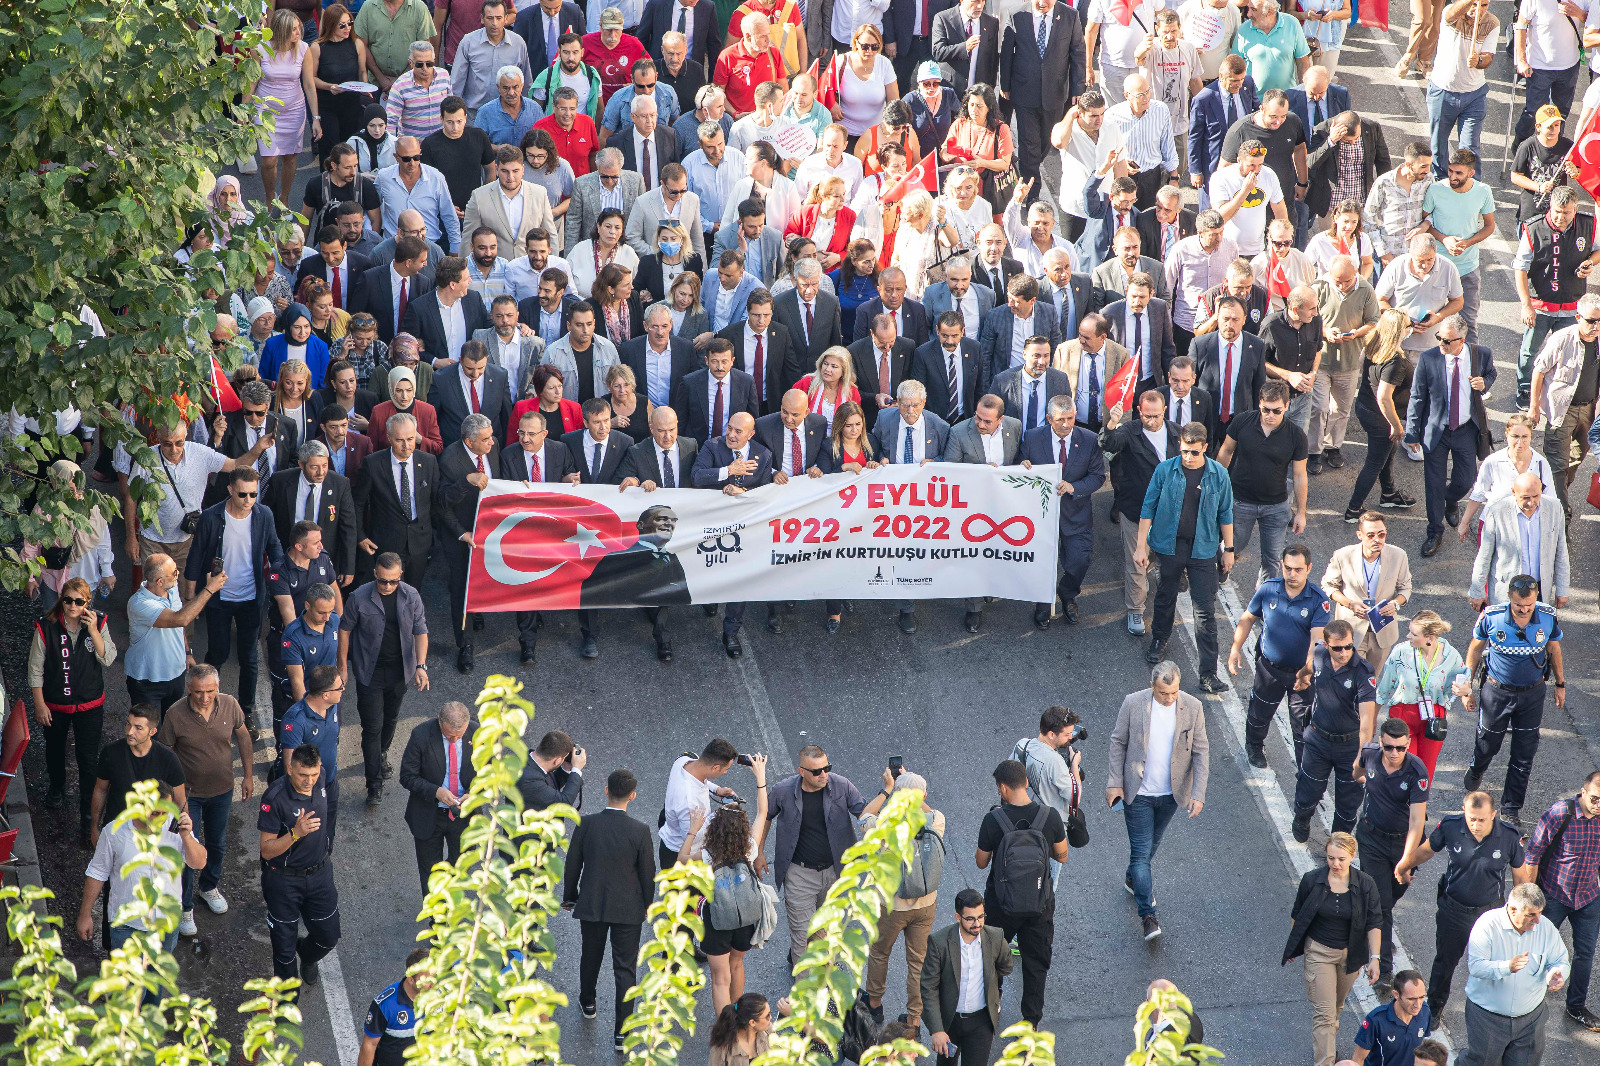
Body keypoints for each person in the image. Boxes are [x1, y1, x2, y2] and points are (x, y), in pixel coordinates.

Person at [1395, 790, 1529, 1018]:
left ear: (1493, 815)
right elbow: (1426, 850)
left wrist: (1521, 916)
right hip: (1454, 911)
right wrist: (1403, 866)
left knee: (1493, 965)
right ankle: (1434, 1009)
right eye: (1471, 819)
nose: (1475, 825)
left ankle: (1492, 1011)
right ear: (1464, 812)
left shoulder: (1508, 836)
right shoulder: (1451, 826)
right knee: (1444, 964)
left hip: (1490, 914)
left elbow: (1520, 878)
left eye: (1482, 820)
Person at [1107, 661, 1208, 942]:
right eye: (1164, 693)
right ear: (1152, 686)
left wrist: (1198, 793)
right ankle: (1147, 915)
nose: (1170, 698)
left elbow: (1201, 751)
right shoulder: (1133, 703)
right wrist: (1114, 782)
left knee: (1152, 845)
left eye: (1174, 692)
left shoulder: (1193, 707)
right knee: (1141, 854)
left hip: (1171, 795)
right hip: (1138, 793)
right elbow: (1118, 742)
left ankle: (1134, 879)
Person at [1458, 576, 1564, 831]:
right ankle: (1478, 767)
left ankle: (1510, 809)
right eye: (1518, 605)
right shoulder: (1491, 617)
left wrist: (1560, 684)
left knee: (1524, 754)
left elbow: (1554, 649)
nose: (1524, 610)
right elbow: (1475, 649)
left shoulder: (1548, 617)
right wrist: (1466, 686)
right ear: (1509, 598)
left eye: (1529, 605)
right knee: (1488, 743)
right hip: (1497, 692)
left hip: (1532, 694)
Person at [562, 767, 658, 1050]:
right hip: (628, 909)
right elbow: (647, 873)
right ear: (632, 796)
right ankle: (622, 1033)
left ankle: (588, 1002)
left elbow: (572, 864)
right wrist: (648, 905)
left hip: (592, 903)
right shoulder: (640, 830)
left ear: (606, 790)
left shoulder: (586, 823)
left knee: (590, 955)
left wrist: (570, 897)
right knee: (625, 968)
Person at [155, 664, 253, 936]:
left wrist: (247, 776)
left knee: (217, 844)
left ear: (218, 687)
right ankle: (185, 906)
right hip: (188, 797)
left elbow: (244, 737)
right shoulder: (175, 714)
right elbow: (165, 754)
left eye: (210, 691)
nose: (205, 697)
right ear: (189, 688)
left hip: (222, 791)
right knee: (187, 849)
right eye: (199, 692)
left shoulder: (230, 705)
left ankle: (209, 886)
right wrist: (170, 794)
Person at [1136, 421, 1234, 683]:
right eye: (1184, 451)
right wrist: (1141, 547)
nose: (1188, 457)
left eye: (1194, 452)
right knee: (1165, 597)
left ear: (1205, 447)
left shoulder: (1218, 474)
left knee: (1205, 611)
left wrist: (1228, 549)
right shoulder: (1165, 470)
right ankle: (1159, 639)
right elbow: (1148, 508)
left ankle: (1208, 673)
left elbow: (1226, 512)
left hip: (1203, 548)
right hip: (1169, 546)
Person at [752, 743, 863, 965]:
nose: (824, 775)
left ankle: (815, 965)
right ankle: (806, 982)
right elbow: (766, 815)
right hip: (799, 875)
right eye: (817, 771)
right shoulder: (783, 791)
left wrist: (886, 794)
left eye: (827, 768)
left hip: (834, 872)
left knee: (826, 929)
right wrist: (759, 852)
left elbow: (863, 812)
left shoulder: (841, 786)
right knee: (802, 937)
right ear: (801, 771)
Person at [974, 759, 1066, 1026]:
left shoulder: (993, 820)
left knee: (993, 954)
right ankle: (1030, 1022)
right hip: (1039, 902)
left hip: (1001, 904)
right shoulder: (1049, 816)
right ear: (1026, 782)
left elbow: (981, 862)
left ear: (1002, 788)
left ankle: (994, 1000)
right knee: (1036, 963)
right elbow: (1062, 855)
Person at [1282, 832, 1383, 1066]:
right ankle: (1325, 1061)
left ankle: (1327, 1045)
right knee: (1325, 1014)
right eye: (1330, 858)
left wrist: (1375, 957)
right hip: (1319, 952)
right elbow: (1298, 915)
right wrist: (1294, 945)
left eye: (1341, 859)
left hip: (1350, 956)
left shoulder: (1365, 884)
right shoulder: (1311, 880)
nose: (1335, 864)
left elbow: (1374, 922)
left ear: (1352, 856)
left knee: (1335, 1007)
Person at [337, 555, 430, 805]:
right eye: (382, 581)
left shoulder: (411, 596)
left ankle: (382, 752)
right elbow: (344, 630)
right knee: (372, 728)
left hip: (400, 672)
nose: (387, 586)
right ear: (374, 574)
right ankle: (373, 784)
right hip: (370, 673)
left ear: (400, 577)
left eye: (393, 581)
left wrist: (421, 665)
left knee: (391, 719)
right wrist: (342, 667)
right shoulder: (358, 597)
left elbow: (420, 630)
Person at [1228, 544, 1329, 767]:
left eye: (1298, 569)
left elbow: (1317, 639)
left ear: (1309, 568)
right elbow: (1247, 618)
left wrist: (1308, 669)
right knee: (1259, 714)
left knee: (1303, 725)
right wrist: (1235, 648)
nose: (1292, 574)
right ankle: (1254, 746)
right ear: (1282, 565)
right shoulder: (1268, 589)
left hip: (1302, 675)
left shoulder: (1318, 600)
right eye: (1288, 568)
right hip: (1269, 669)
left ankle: (1304, 768)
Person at [77, 781, 205, 957]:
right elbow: (97, 873)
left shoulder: (176, 828)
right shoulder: (114, 832)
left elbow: (199, 863)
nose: (161, 818)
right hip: (126, 926)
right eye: (155, 813)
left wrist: (187, 838)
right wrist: (85, 915)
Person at [859, 767, 944, 1031]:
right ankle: (914, 1019)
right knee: (918, 962)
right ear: (924, 795)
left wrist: (888, 790)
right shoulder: (936, 820)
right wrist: (915, 789)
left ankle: (874, 1004)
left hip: (891, 905)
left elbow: (864, 817)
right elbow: (928, 808)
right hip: (925, 903)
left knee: (879, 952)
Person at [30, 574, 115, 835]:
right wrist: (40, 704)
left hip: (90, 705)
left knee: (88, 760)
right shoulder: (46, 625)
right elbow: (35, 668)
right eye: (67, 600)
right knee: (54, 751)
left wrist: (94, 631)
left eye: (79, 601)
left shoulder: (99, 622)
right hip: (56, 705)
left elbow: (108, 658)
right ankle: (57, 787)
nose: (72, 606)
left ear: (87, 602)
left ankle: (88, 816)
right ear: (61, 600)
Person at [1352, 719, 1432, 989]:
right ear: (1381, 742)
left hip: (1403, 844)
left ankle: (1375, 929)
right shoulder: (1370, 754)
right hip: (1372, 839)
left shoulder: (1416, 772)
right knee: (1381, 903)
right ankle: (1384, 967)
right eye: (1388, 747)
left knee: (1392, 894)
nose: (1394, 753)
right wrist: (1369, 782)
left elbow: (1416, 822)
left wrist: (1405, 863)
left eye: (1400, 748)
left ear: (1408, 743)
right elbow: (1357, 772)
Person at [1457, 883, 1571, 1065]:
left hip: (1531, 1020)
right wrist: (1507, 967)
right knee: (1481, 1062)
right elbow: (1476, 967)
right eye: (1531, 915)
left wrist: (1558, 973)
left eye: (1540, 913)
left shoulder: (1546, 928)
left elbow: (1560, 960)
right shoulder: (1487, 925)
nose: (1537, 921)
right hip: (1488, 1019)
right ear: (1512, 909)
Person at [1402, 313, 1486, 557]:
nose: (1441, 344)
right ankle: (1434, 531)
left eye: (1447, 341)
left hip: (1465, 429)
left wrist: (1484, 384)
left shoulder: (1480, 355)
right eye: (1439, 337)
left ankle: (1450, 500)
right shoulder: (1429, 358)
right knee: (1434, 484)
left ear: (1462, 340)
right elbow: (1417, 397)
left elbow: (1490, 374)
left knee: (1466, 480)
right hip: (1436, 430)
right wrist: (1412, 433)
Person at [1521, 772, 1600, 1031]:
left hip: (1588, 897)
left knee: (1585, 954)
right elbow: (1533, 855)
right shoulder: (1559, 813)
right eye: (1595, 798)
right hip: (1554, 895)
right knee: (1535, 948)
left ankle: (1575, 1006)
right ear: (1583, 792)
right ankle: (1524, 1001)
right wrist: (1530, 899)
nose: (1598, 805)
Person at [259, 743, 340, 991]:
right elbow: (266, 850)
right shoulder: (274, 798)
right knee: (284, 953)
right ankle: (288, 1003)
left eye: (313, 774)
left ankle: (307, 954)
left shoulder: (321, 778)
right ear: (290, 769)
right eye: (303, 775)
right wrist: (295, 833)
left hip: (319, 874)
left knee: (328, 936)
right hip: (284, 881)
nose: (309, 781)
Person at [1020, 395, 1105, 628]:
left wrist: (1074, 487)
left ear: (1075, 415)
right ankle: (1043, 603)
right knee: (1040, 563)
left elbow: (1098, 476)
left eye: (1070, 418)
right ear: (1049, 419)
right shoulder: (1032, 437)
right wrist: (1023, 465)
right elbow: (1019, 463)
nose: (1066, 425)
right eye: (1059, 420)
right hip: (1040, 516)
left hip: (1075, 514)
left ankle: (1067, 594)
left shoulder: (1089, 440)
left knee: (1079, 561)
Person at [690, 771, 769, 1013]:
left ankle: (725, 1027)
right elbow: (763, 813)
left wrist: (693, 830)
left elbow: (681, 859)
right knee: (737, 964)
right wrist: (760, 778)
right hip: (745, 915)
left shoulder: (707, 855)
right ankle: (738, 1018)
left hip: (717, 917)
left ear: (715, 829)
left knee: (720, 978)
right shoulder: (750, 847)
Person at [1293, 618, 1379, 841]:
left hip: (1349, 745)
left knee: (1347, 805)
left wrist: (1361, 757)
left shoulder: (1363, 672)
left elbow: (1367, 721)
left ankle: (1338, 844)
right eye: (1338, 648)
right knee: (1308, 790)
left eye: (1348, 647)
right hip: (1318, 740)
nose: (1344, 653)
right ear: (1326, 645)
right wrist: (1302, 676)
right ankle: (1302, 818)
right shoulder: (1320, 654)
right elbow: (1311, 667)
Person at [1515, 188, 1600, 412]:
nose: (1560, 217)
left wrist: (1590, 263)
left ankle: (1563, 392)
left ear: (1576, 209)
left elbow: (1598, 250)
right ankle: (1525, 389)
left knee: (1571, 353)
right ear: (1550, 207)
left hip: (1572, 306)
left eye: (1566, 212)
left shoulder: (1589, 224)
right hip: (1541, 306)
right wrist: (1525, 305)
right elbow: (1520, 268)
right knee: (1529, 352)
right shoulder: (1533, 228)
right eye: (1557, 212)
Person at [1216, 380, 1308, 585]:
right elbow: (1226, 451)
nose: (1270, 415)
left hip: (1276, 506)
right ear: (1259, 404)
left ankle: (1264, 598)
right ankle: (1221, 567)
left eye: (1276, 411)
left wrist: (1301, 512)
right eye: (1266, 409)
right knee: (1233, 545)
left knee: (1272, 559)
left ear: (1287, 406)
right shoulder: (1243, 422)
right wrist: (1216, 485)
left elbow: (1300, 475)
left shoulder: (1296, 435)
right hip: (1241, 500)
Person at [998, 0, 1086, 192]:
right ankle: (1032, 193)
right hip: (1024, 90)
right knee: (1029, 144)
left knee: (1045, 142)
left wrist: (1078, 89)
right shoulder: (1016, 14)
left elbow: (1078, 52)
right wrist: (1005, 84)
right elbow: (1007, 52)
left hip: (1055, 93)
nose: (1042, 3)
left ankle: (1028, 170)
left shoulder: (1070, 16)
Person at [920, 889, 1013, 1066]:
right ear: (958, 917)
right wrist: (937, 1030)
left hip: (982, 1022)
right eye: (970, 918)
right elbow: (928, 987)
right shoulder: (939, 942)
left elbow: (1005, 966)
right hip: (950, 1021)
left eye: (981, 917)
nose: (977, 924)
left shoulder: (995, 937)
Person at [124, 554, 221, 716]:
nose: (178, 575)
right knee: (150, 730)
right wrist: (209, 589)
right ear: (159, 582)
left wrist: (187, 652)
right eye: (174, 573)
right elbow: (180, 619)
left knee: (171, 726)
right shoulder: (139, 604)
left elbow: (178, 624)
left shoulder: (172, 589)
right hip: (147, 683)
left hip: (176, 676)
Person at [1343, 309, 1416, 519]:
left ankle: (1389, 493)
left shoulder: (1374, 343)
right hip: (1381, 418)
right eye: (1408, 325)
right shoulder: (1395, 361)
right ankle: (1353, 509)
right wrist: (1396, 425)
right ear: (1398, 331)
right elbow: (1384, 397)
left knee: (1388, 451)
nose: (1411, 328)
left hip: (1365, 407)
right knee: (1374, 463)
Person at [1378, 611, 1466, 783]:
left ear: (1430, 638)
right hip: (1403, 715)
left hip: (1433, 719)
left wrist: (1464, 691)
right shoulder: (1401, 651)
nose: (1408, 636)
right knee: (1403, 770)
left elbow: (1464, 682)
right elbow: (1383, 690)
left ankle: (1420, 801)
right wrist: (1370, 723)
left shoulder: (1451, 655)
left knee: (1425, 773)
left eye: (1413, 634)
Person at [1418, 150, 1494, 349]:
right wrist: (1445, 240)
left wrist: (1467, 243)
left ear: (1471, 173)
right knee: (1432, 321)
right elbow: (1424, 222)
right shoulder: (1435, 190)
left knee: (1468, 324)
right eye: (1450, 171)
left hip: (1468, 268)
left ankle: (1470, 364)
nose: (1452, 177)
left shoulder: (1483, 191)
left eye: (1458, 173)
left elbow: (1489, 226)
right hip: (1437, 267)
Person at [397, 700, 475, 892]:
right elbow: (407, 776)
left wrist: (473, 794)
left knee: (462, 863)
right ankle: (436, 909)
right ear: (439, 721)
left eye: (459, 736)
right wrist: (435, 791)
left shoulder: (478, 733)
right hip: (428, 814)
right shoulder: (421, 735)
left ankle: (448, 891)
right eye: (449, 736)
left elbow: (489, 773)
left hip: (464, 815)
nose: (454, 740)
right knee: (430, 872)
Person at [1470, 471, 1571, 613]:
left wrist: (1563, 588)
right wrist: (1477, 591)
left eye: (1536, 496)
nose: (1531, 502)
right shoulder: (1496, 512)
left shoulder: (1554, 507)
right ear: (1513, 492)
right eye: (1525, 497)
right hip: (1506, 591)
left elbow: (1561, 551)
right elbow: (1484, 555)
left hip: (1540, 589)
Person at [1322, 512, 1414, 668]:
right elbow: (1328, 585)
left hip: (1382, 630)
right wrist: (1350, 604)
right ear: (1360, 535)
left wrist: (1395, 604)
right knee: (1350, 676)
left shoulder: (1398, 556)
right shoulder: (1343, 555)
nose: (1377, 539)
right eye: (1371, 535)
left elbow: (1405, 588)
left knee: (1372, 678)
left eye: (1381, 534)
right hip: (1351, 631)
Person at [89, 704, 185, 848]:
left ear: (152, 731)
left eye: (138, 728)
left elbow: (180, 801)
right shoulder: (111, 752)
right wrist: (94, 828)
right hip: (116, 830)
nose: (130, 731)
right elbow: (100, 790)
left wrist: (181, 836)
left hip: (152, 835)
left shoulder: (168, 758)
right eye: (128, 724)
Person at [253, 9, 316, 205]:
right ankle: (269, 198)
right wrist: (242, 113)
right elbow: (251, 83)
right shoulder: (261, 48)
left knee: (290, 157)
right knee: (268, 161)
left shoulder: (304, 49)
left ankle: (285, 198)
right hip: (265, 111)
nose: (298, 33)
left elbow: (309, 84)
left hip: (294, 111)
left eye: (298, 28)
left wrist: (316, 118)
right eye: (293, 29)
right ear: (281, 31)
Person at [659, 739, 741, 868]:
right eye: (726, 769)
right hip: (681, 858)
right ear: (715, 767)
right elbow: (693, 839)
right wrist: (723, 812)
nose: (725, 772)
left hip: (669, 831)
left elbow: (699, 781)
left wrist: (717, 790)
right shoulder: (689, 804)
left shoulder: (685, 760)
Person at [359, 946, 431, 1066]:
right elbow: (370, 1044)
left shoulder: (442, 994)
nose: (434, 983)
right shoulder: (386, 1005)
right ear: (411, 979)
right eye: (427, 979)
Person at [1351, 972, 1433, 1065]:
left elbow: (1422, 1046)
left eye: (1422, 997)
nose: (1417, 1005)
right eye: (1411, 999)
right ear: (1396, 994)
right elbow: (1358, 1059)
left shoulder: (1425, 1011)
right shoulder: (1376, 1020)